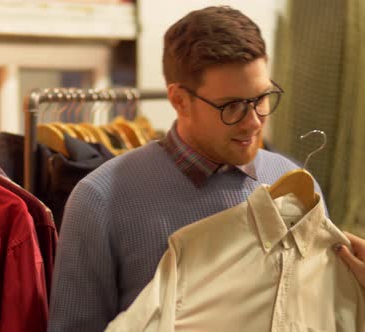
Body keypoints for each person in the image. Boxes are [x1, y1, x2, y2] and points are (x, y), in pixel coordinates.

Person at [48, 6, 326, 331]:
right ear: (180, 100)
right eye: (232, 106)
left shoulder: (297, 186)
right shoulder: (99, 200)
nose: (253, 122)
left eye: (262, 98)